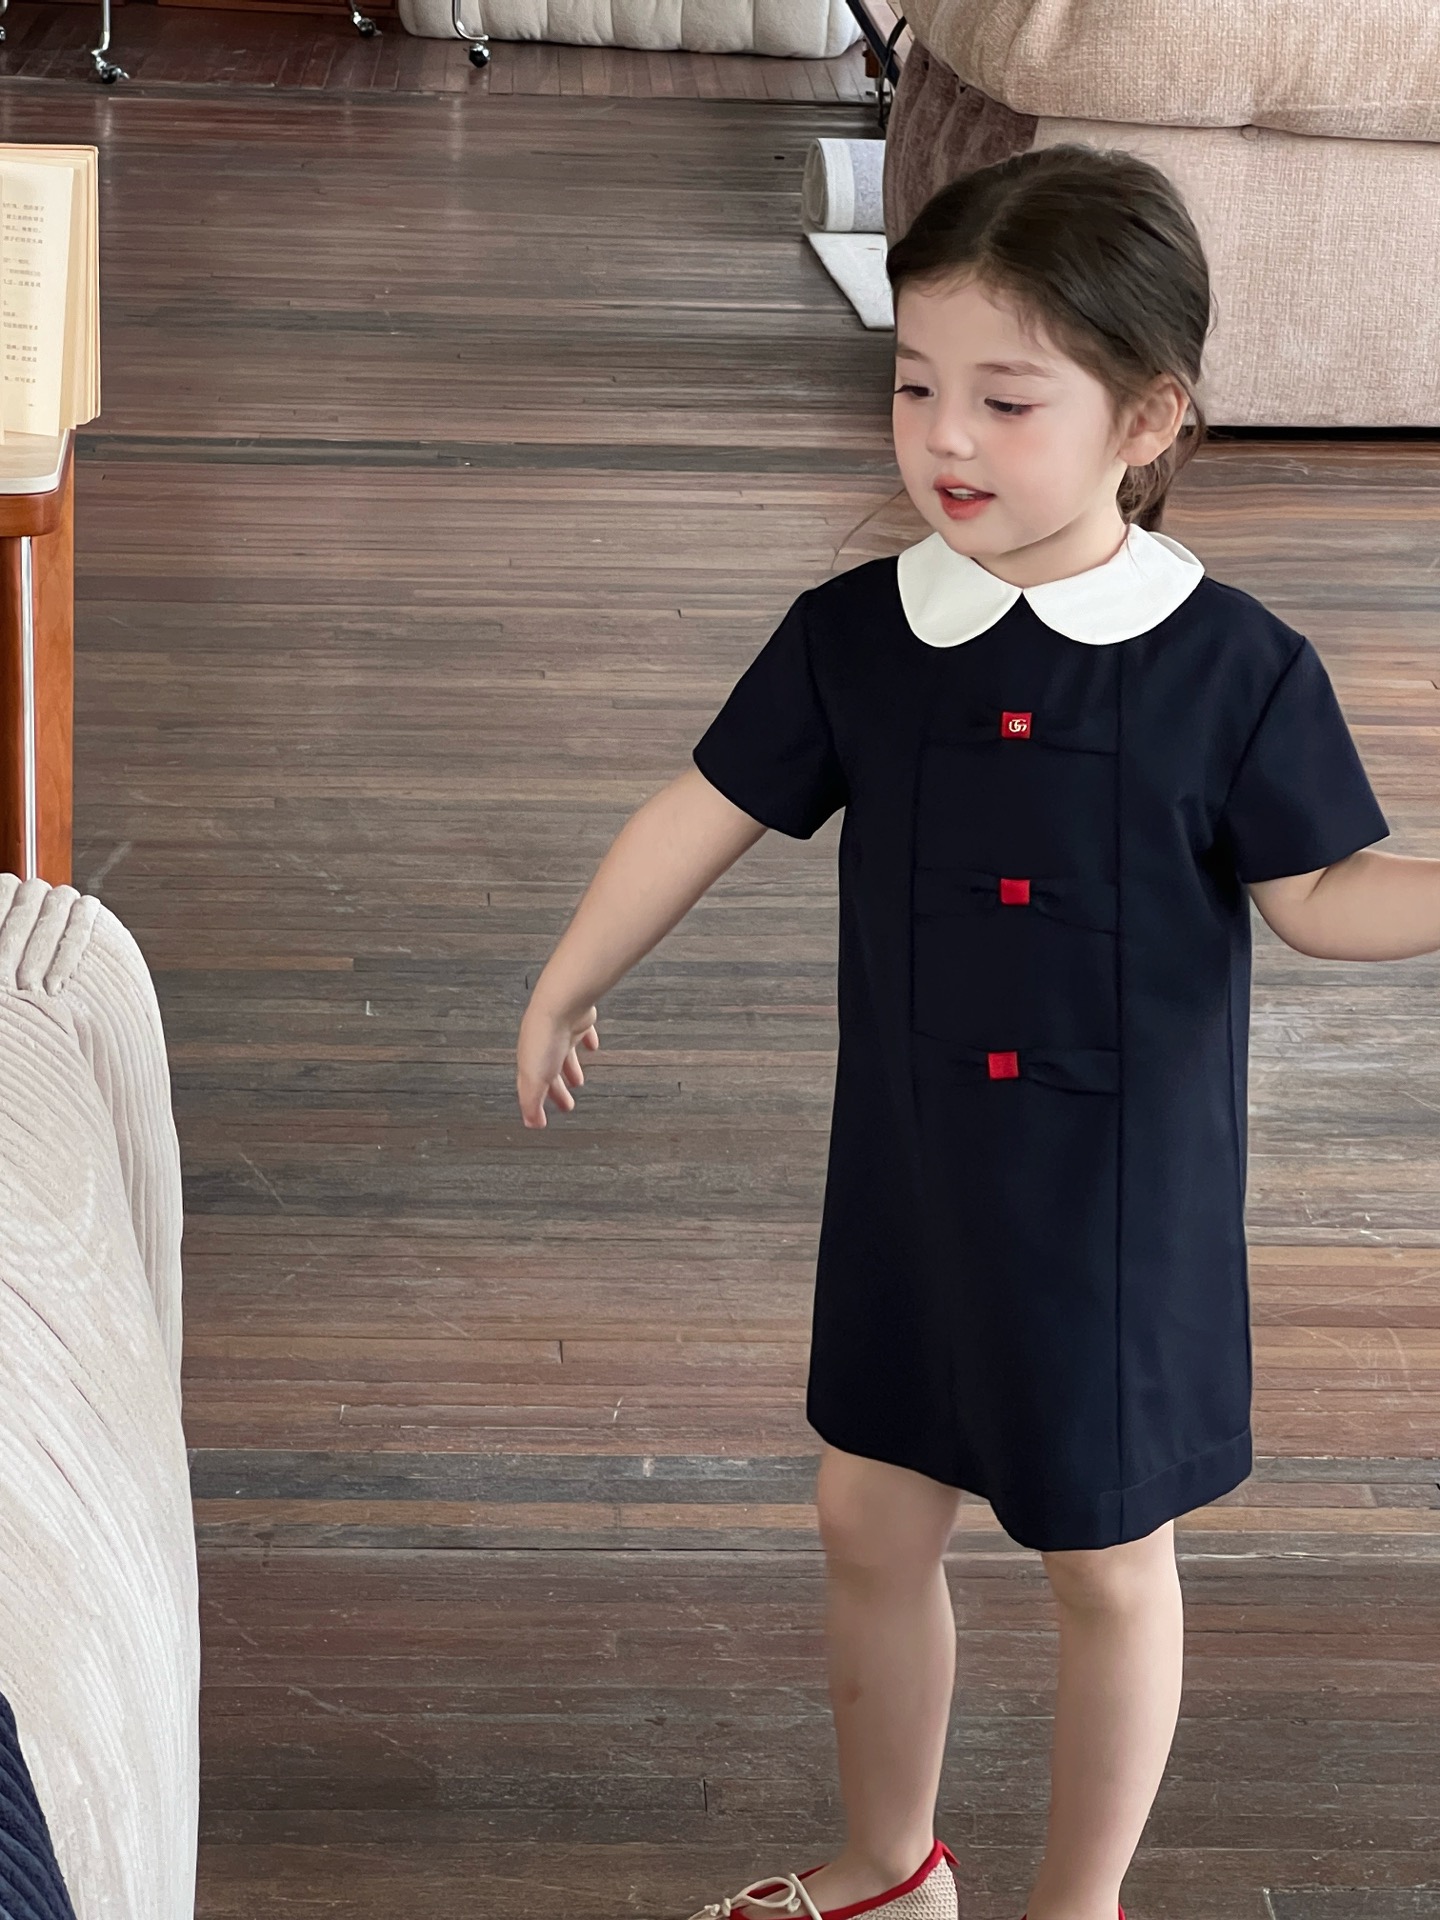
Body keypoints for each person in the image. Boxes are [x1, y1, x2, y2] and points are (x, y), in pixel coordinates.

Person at [515, 143, 1436, 1920]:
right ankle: (888, 1865)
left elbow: (1325, 894)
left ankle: (1075, 1907)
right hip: (916, 1182)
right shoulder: (858, 638)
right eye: (914, 384)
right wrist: (571, 972)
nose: (946, 438)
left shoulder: (1234, 667)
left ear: (1147, 418)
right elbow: (701, 809)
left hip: (1117, 1218)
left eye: (1007, 401)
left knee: (1107, 1561)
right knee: (867, 1513)